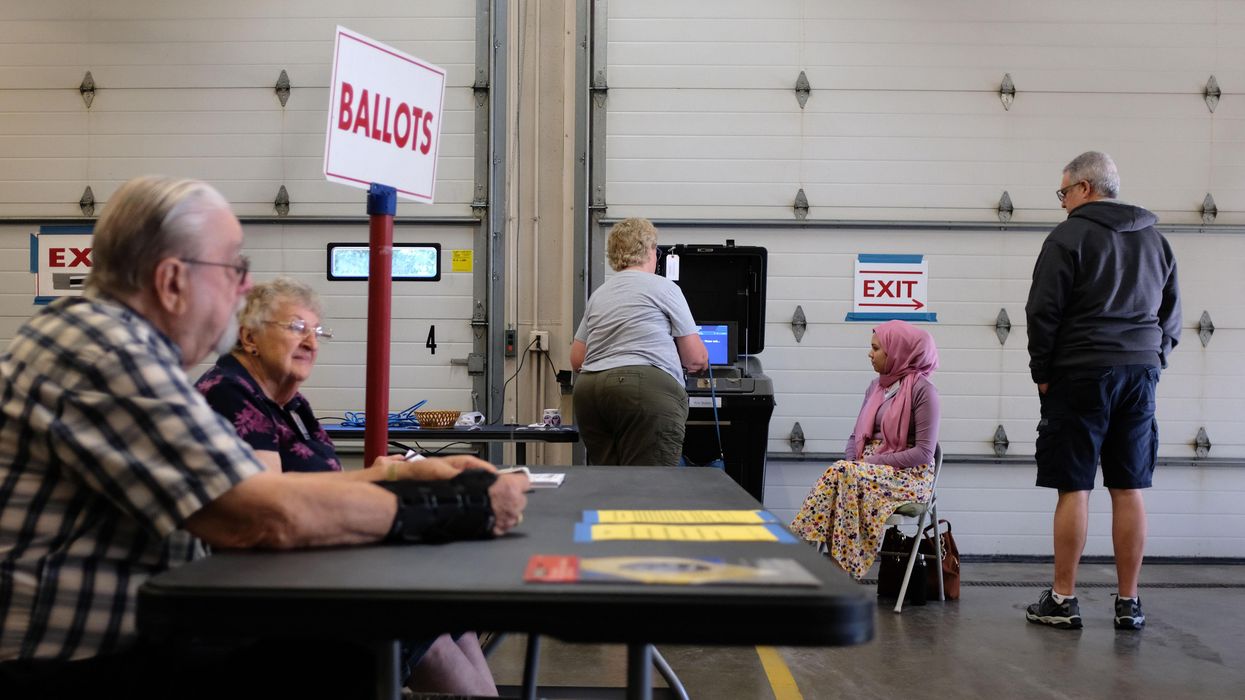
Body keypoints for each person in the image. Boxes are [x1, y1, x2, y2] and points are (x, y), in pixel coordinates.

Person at [0, 175, 528, 699]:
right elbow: (260, 513)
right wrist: (458, 507)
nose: (244, 288)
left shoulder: (111, 345)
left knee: (386, 628)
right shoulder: (109, 355)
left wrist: (406, 476)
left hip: (129, 643)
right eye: (234, 268)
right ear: (171, 280)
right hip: (79, 667)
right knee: (376, 637)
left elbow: (265, 493)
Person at [195, 276, 498, 695]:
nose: (311, 342)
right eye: (297, 328)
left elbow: (326, 484)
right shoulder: (230, 395)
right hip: (270, 594)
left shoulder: (291, 404)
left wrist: (392, 473)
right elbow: (271, 509)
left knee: (446, 610)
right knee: (415, 619)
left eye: (317, 332)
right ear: (249, 337)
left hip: (326, 567)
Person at [1024, 151, 1181, 631]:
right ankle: (1128, 603)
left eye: (1064, 192)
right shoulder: (1156, 241)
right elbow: (1171, 316)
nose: (1062, 203)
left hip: (1080, 373)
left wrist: (1042, 372)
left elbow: (1042, 312)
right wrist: (1154, 359)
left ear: (1085, 189)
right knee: (1128, 486)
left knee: (1074, 486)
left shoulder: (1067, 237)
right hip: (1138, 374)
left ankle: (1063, 599)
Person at [789, 320, 940, 579]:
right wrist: (854, 463)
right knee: (843, 475)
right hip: (864, 473)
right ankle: (835, 569)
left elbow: (925, 452)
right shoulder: (876, 387)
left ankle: (807, 554)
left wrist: (870, 464)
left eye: (876, 348)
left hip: (907, 475)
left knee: (843, 475)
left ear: (897, 352)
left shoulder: (924, 391)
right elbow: (855, 435)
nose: (870, 354)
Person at [570, 217, 708, 466]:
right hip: (644, 389)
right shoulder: (664, 288)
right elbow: (695, 358)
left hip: (590, 392)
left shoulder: (600, 294)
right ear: (650, 250)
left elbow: (577, 359)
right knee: (648, 489)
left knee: (610, 486)